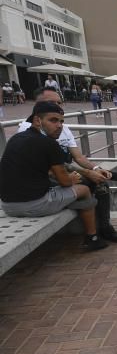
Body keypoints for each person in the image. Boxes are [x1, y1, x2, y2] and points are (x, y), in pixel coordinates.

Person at [18, 87, 117, 242]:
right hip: (49, 176)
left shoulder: (63, 128)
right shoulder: (28, 130)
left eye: (59, 103)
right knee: (94, 183)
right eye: (51, 103)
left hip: (65, 169)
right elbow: (44, 168)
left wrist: (96, 168)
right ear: (38, 108)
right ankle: (96, 233)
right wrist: (87, 174)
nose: (57, 106)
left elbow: (78, 157)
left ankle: (104, 226)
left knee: (98, 180)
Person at [0, 101, 107, 250]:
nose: (59, 125)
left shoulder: (16, 139)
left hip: (7, 205)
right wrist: (72, 179)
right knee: (84, 189)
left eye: (61, 121)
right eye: (53, 120)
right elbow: (65, 182)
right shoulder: (49, 144)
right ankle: (92, 237)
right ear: (37, 120)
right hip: (34, 205)